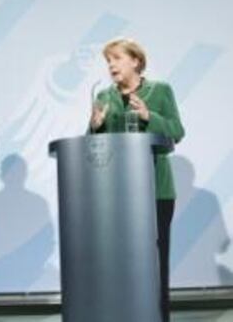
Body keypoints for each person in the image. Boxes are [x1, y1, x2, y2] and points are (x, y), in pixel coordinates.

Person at [89, 38, 184, 322]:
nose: (111, 65)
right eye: (108, 61)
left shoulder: (161, 91)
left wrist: (148, 116)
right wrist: (94, 127)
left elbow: (176, 131)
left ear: (136, 62)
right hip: (116, 192)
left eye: (117, 58)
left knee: (155, 261)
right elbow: (95, 148)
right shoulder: (103, 97)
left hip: (156, 190)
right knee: (119, 261)